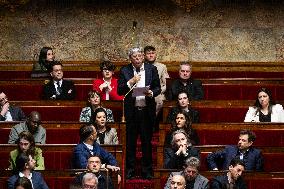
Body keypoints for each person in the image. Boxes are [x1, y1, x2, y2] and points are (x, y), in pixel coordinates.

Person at [117, 47, 161, 179]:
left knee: (146, 143)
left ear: (143, 57)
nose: (137, 58)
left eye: (140, 56)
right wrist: (130, 82)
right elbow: (120, 91)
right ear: (130, 58)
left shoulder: (151, 69)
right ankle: (129, 171)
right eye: (134, 56)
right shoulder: (125, 70)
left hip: (146, 111)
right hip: (131, 112)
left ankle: (147, 171)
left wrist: (151, 93)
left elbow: (157, 87)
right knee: (130, 143)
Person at [144, 46, 170, 115]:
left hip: (158, 93)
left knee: (160, 99)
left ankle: (153, 122)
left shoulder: (162, 67)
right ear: (144, 55)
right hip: (143, 92)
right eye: (148, 53)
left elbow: (167, 84)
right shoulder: (140, 66)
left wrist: (157, 91)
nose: (151, 55)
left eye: (153, 53)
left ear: (155, 54)